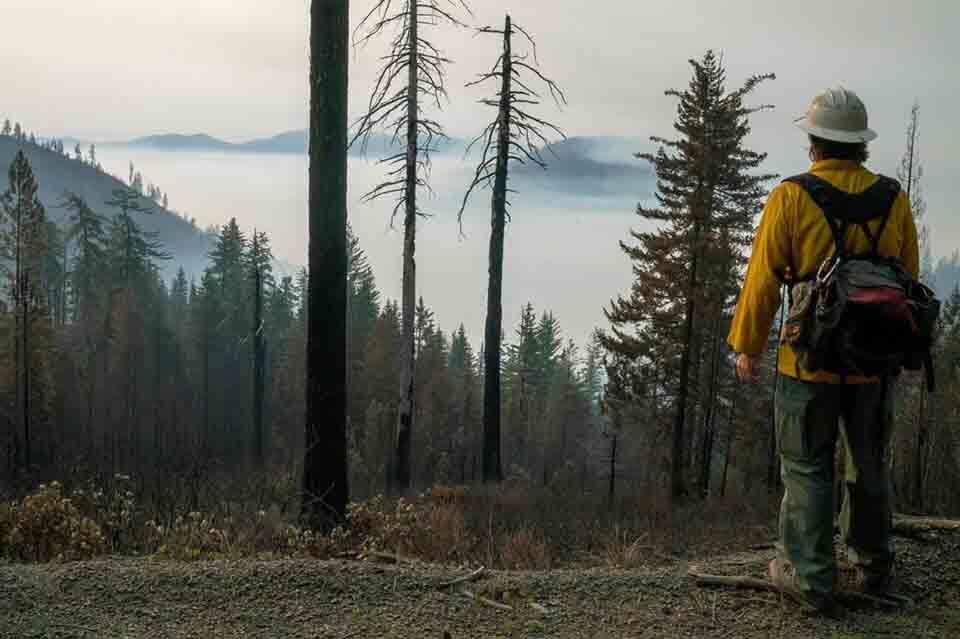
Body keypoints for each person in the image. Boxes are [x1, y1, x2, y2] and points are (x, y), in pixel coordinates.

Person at [727, 87, 919, 612]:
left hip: (806, 361)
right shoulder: (893, 199)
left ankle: (810, 577)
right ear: (860, 145)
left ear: (814, 142)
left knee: (807, 467)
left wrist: (747, 345)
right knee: (869, 463)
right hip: (871, 363)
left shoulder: (792, 197)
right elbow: (908, 280)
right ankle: (873, 567)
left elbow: (763, 279)